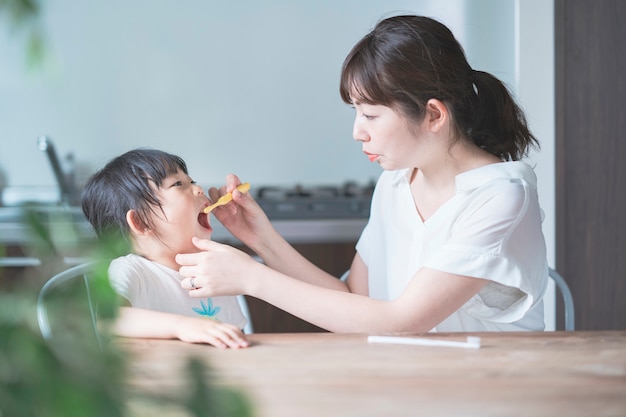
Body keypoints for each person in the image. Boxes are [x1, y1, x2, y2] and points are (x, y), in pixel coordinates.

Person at [175, 15, 549, 333]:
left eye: (370, 115)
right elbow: (354, 298)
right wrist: (260, 239)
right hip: (410, 385)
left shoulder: (501, 197)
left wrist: (251, 278)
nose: (358, 131)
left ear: (434, 115)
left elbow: (404, 320)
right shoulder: (397, 182)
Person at [81, 148, 249, 348]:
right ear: (142, 223)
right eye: (178, 184)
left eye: (192, 181)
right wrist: (183, 326)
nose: (198, 189)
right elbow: (111, 319)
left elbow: (237, 340)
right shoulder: (132, 271)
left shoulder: (216, 272)